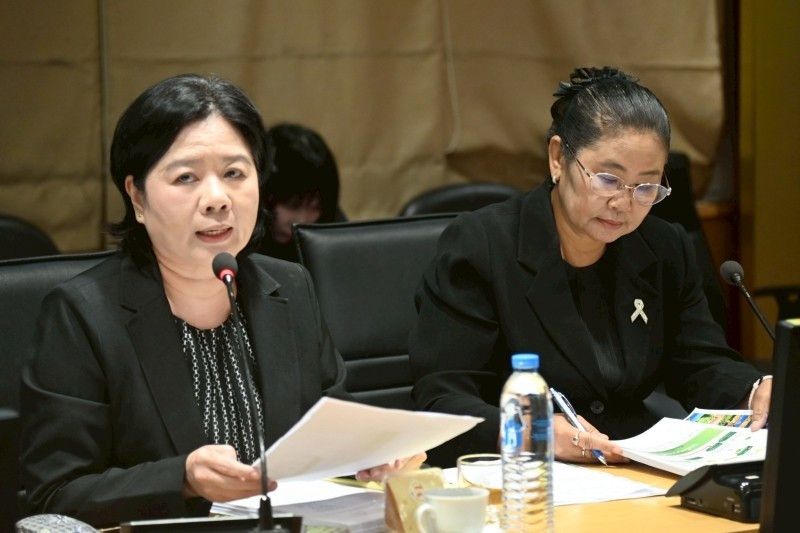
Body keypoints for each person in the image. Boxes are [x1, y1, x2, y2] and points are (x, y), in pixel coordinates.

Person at [20, 74, 423, 527]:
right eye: (186, 177)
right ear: (137, 197)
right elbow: (56, 495)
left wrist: (375, 455)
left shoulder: (288, 288)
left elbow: (335, 431)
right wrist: (183, 479)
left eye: (234, 173)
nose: (217, 199)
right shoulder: (82, 314)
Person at [408, 66, 772, 468]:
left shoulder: (663, 246)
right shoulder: (483, 246)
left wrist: (754, 391)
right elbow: (442, 399)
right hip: (523, 472)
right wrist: (534, 433)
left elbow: (699, 363)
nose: (624, 203)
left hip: (632, 467)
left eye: (646, 187)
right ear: (558, 158)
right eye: (608, 179)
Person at [257, 122, 344, 262]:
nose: (302, 220)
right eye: (293, 205)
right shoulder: (243, 241)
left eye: (315, 207)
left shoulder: (333, 229)